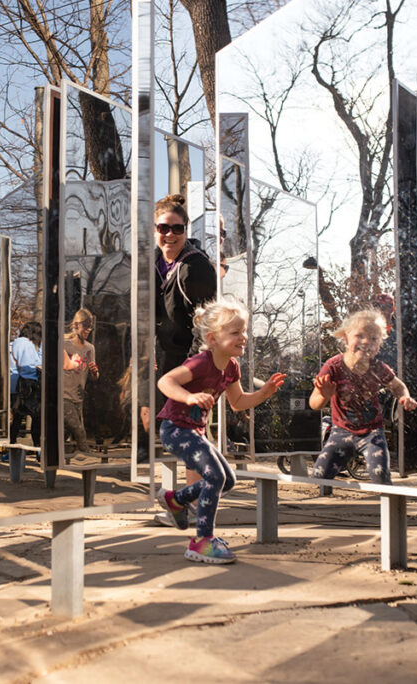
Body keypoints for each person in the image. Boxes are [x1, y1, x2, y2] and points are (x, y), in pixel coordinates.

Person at [155, 299, 286, 564]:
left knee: (227, 480)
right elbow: (165, 381)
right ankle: (202, 542)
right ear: (213, 338)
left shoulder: (231, 367)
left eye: (244, 331)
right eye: (235, 332)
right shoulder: (200, 363)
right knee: (215, 476)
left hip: (195, 432)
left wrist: (264, 393)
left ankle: (177, 500)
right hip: (175, 428)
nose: (244, 337)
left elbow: (238, 403)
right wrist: (189, 397)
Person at [151, 194, 218, 526]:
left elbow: (205, 325)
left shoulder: (196, 267)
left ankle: (190, 506)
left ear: (185, 230)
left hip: (190, 364)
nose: (170, 235)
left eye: (177, 228)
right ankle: (186, 502)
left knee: (189, 433)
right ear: (155, 229)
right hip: (165, 361)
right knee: (176, 432)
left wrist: (191, 371)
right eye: (163, 228)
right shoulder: (154, 263)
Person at [307, 309, 417, 484]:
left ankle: (386, 498)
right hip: (340, 432)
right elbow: (314, 404)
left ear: (379, 344)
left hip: (372, 433)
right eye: (359, 336)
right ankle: (324, 494)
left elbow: (398, 386)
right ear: (346, 338)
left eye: (373, 338)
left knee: (380, 475)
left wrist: (404, 397)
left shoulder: (378, 368)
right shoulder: (333, 366)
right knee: (319, 476)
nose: (366, 342)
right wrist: (323, 396)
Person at [63, 308, 99, 454]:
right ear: (76, 325)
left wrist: (94, 372)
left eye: (90, 326)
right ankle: (88, 456)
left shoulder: (90, 348)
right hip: (64, 396)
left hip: (78, 397)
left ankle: (53, 457)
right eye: (86, 326)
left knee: (66, 431)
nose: (88, 329)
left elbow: (95, 377)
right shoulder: (64, 345)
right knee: (79, 430)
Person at [10, 321, 42, 447]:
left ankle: (12, 445)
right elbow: (28, 366)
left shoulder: (13, 344)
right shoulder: (27, 344)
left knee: (17, 418)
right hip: (28, 387)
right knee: (36, 416)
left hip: (16, 387)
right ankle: (37, 447)